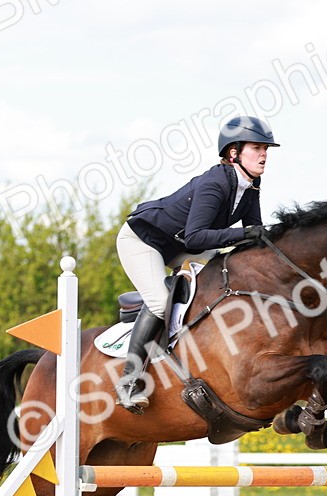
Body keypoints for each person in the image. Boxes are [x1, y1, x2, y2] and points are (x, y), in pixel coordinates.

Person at [114, 115, 279, 412]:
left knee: (220, 282)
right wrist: (245, 234)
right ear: (234, 153)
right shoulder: (215, 183)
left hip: (178, 243)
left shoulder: (251, 185)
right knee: (159, 301)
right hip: (143, 241)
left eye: (266, 148)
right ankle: (128, 380)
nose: (265, 153)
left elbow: (254, 231)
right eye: (257, 147)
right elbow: (195, 237)